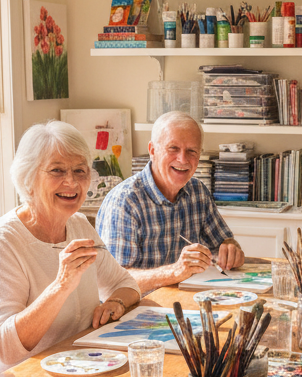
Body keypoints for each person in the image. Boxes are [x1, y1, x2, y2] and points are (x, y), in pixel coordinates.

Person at [0, 121, 140, 375]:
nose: (71, 182)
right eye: (57, 171)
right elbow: (3, 349)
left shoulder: (79, 224)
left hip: (85, 364)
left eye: (80, 171)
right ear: (28, 180)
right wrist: (61, 286)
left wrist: (115, 302)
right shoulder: (0, 242)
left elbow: (127, 285)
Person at [97, 111, 244, 294]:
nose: (182, 159)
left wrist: (231, 249)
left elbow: (223, 242)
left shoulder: (197, 192)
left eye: (191, 151)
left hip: (184, 301)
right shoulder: (125, 202)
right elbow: (113, 282)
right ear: (152, 150)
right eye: (173, 148)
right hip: (136, 309)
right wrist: (175, 271)